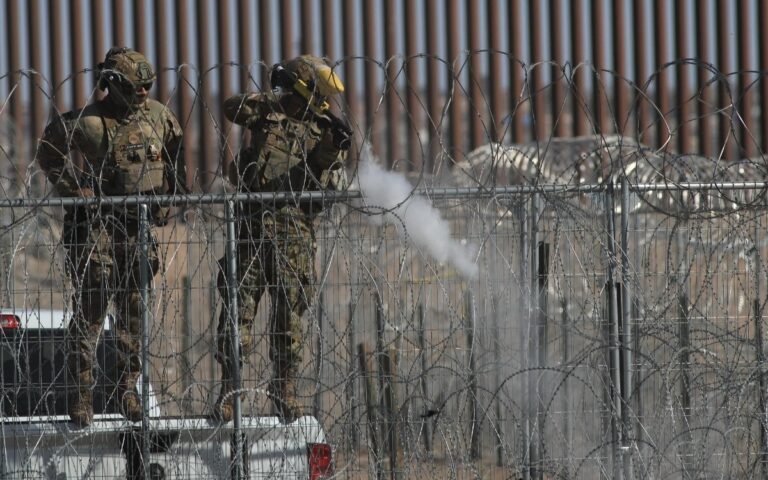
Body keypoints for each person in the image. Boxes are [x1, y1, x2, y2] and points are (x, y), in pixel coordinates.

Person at [37, 47, 185, 427]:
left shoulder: (157, 117)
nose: (143, 95)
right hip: (99, 229)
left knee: (133, 316)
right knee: (91, 312)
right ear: (114, 85)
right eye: (136, 88)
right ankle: (83, 395)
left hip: (137, 229)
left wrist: (171, 196)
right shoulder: (89, 123)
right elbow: (49, 150)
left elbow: (176, 149)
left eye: (147, 88)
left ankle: (127, 391)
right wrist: (76, 191)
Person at [214, 55, 350, 422]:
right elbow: (231, 108)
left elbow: (331, 188)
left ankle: (284, 389)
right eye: (315, 94)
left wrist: (328, 154)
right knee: (237, 315)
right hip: (251, 230)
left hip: (295, 233)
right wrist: (276, 98)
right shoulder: (266, 113)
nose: (322, 103)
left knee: (289, 321)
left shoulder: (326, 131)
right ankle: (229, 391)